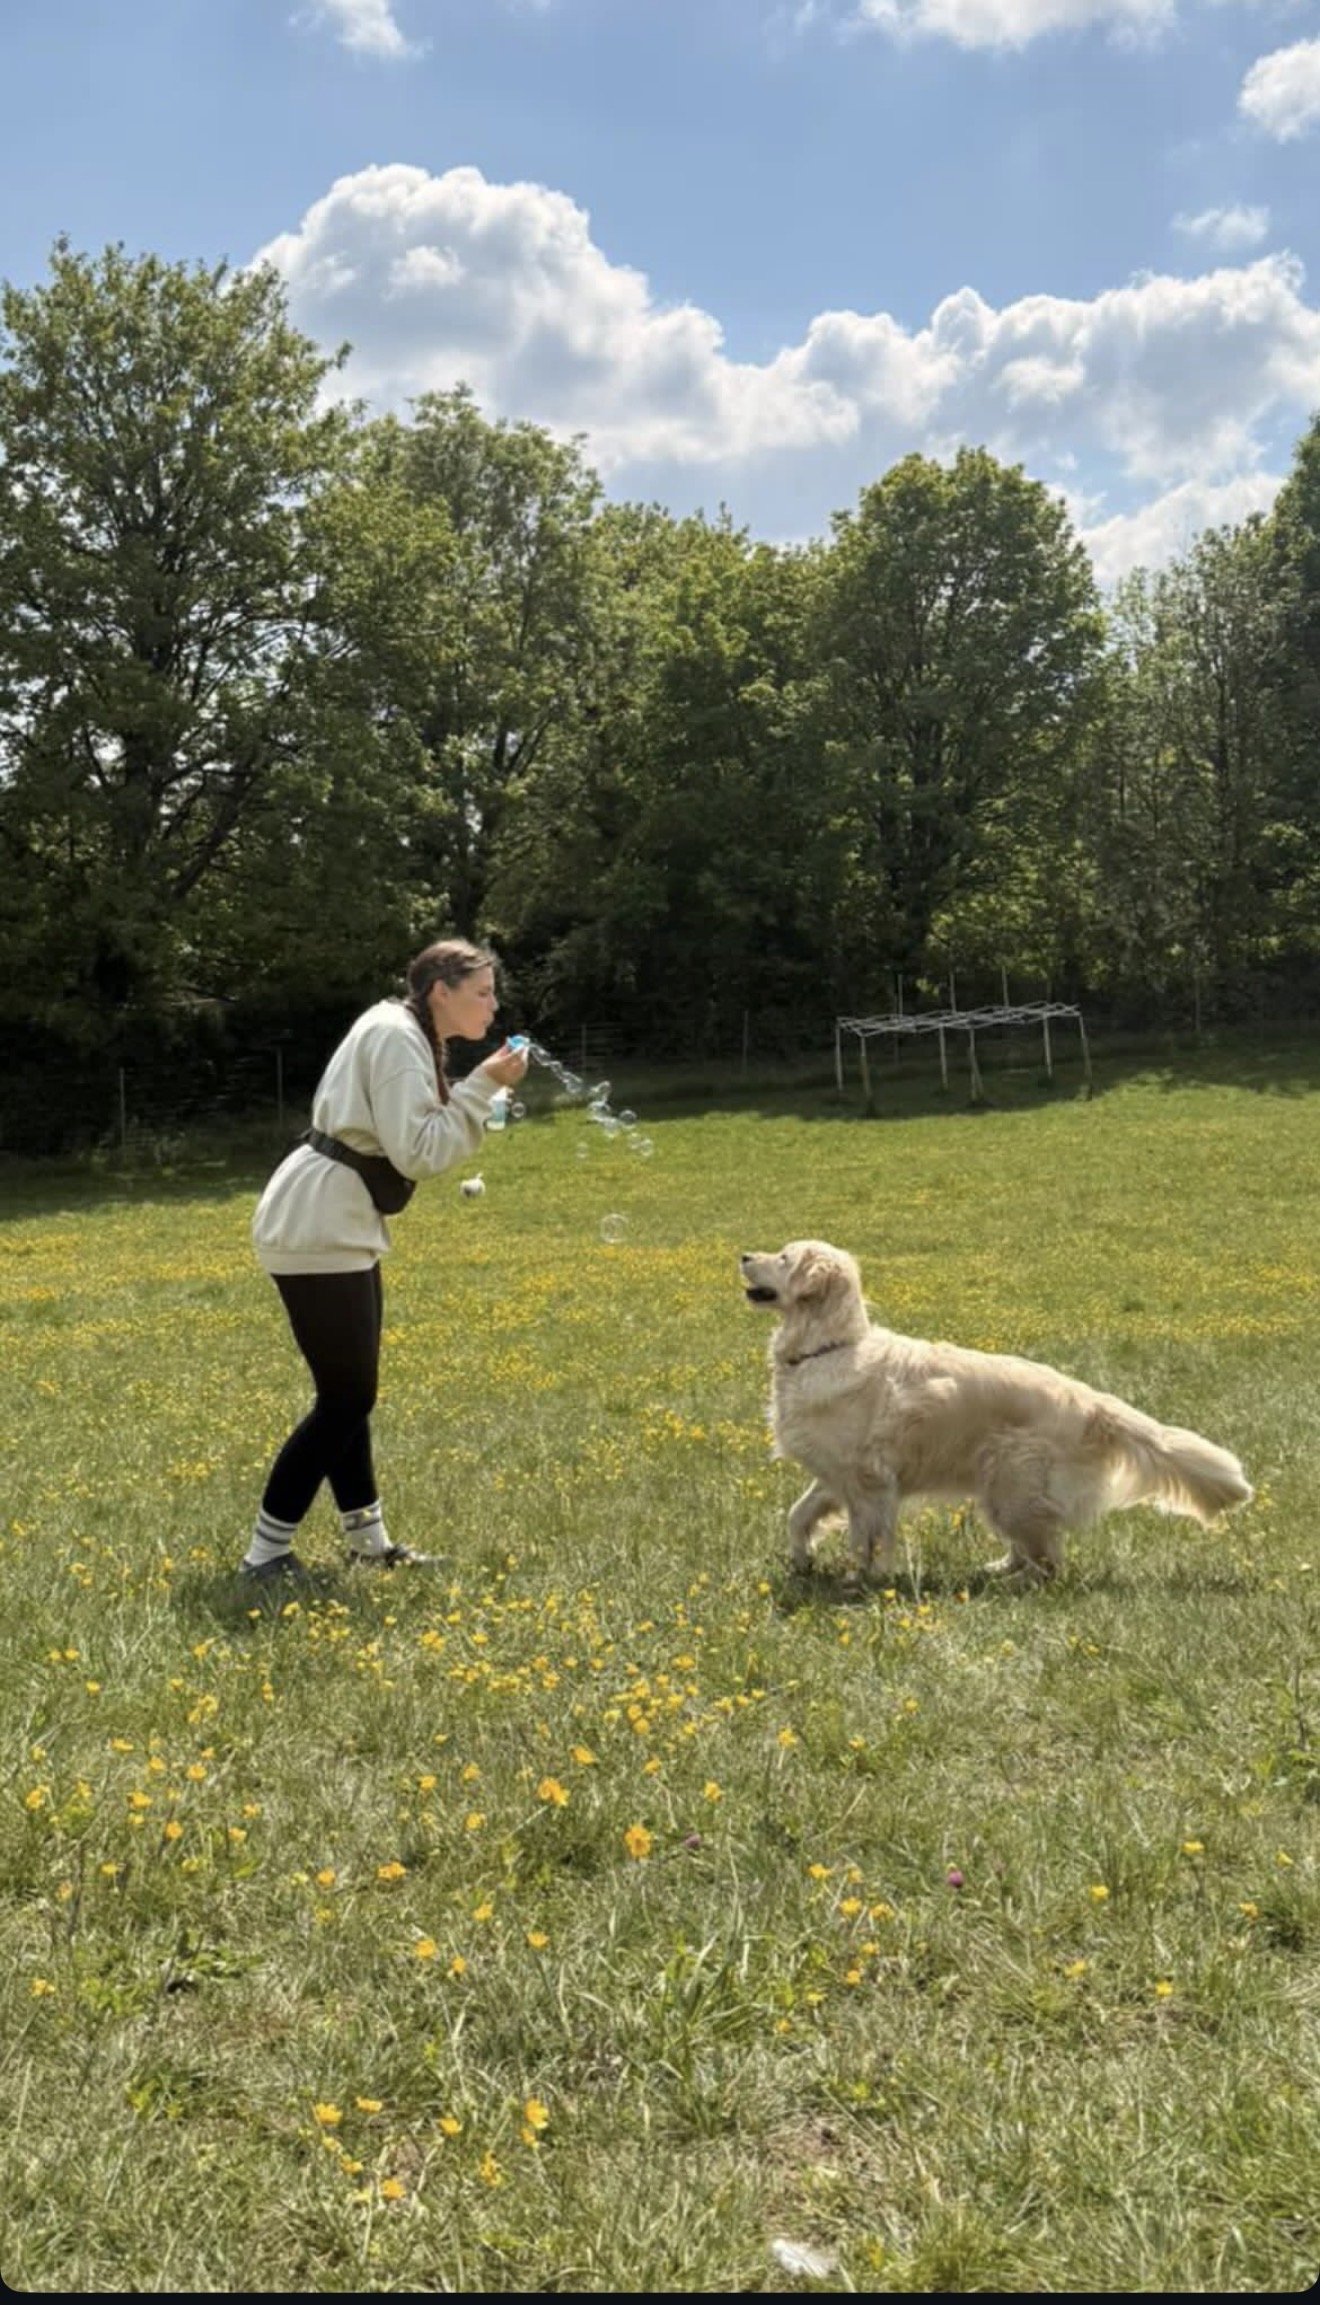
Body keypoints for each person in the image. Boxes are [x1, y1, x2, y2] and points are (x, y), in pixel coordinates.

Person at [241, 938, 529, 1581]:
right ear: (440, 992)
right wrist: (484, 1086)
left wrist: (475, 1090)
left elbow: (407, 1134)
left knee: (349, 1394)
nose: (493, 1004)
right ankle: (264, 1556)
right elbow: (418, 1154)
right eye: (481, 992)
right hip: (319, 1223)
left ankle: (368, 1543)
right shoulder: (398, 1037)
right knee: (345, 1398)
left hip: (331, 1218)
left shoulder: (400, 1030)